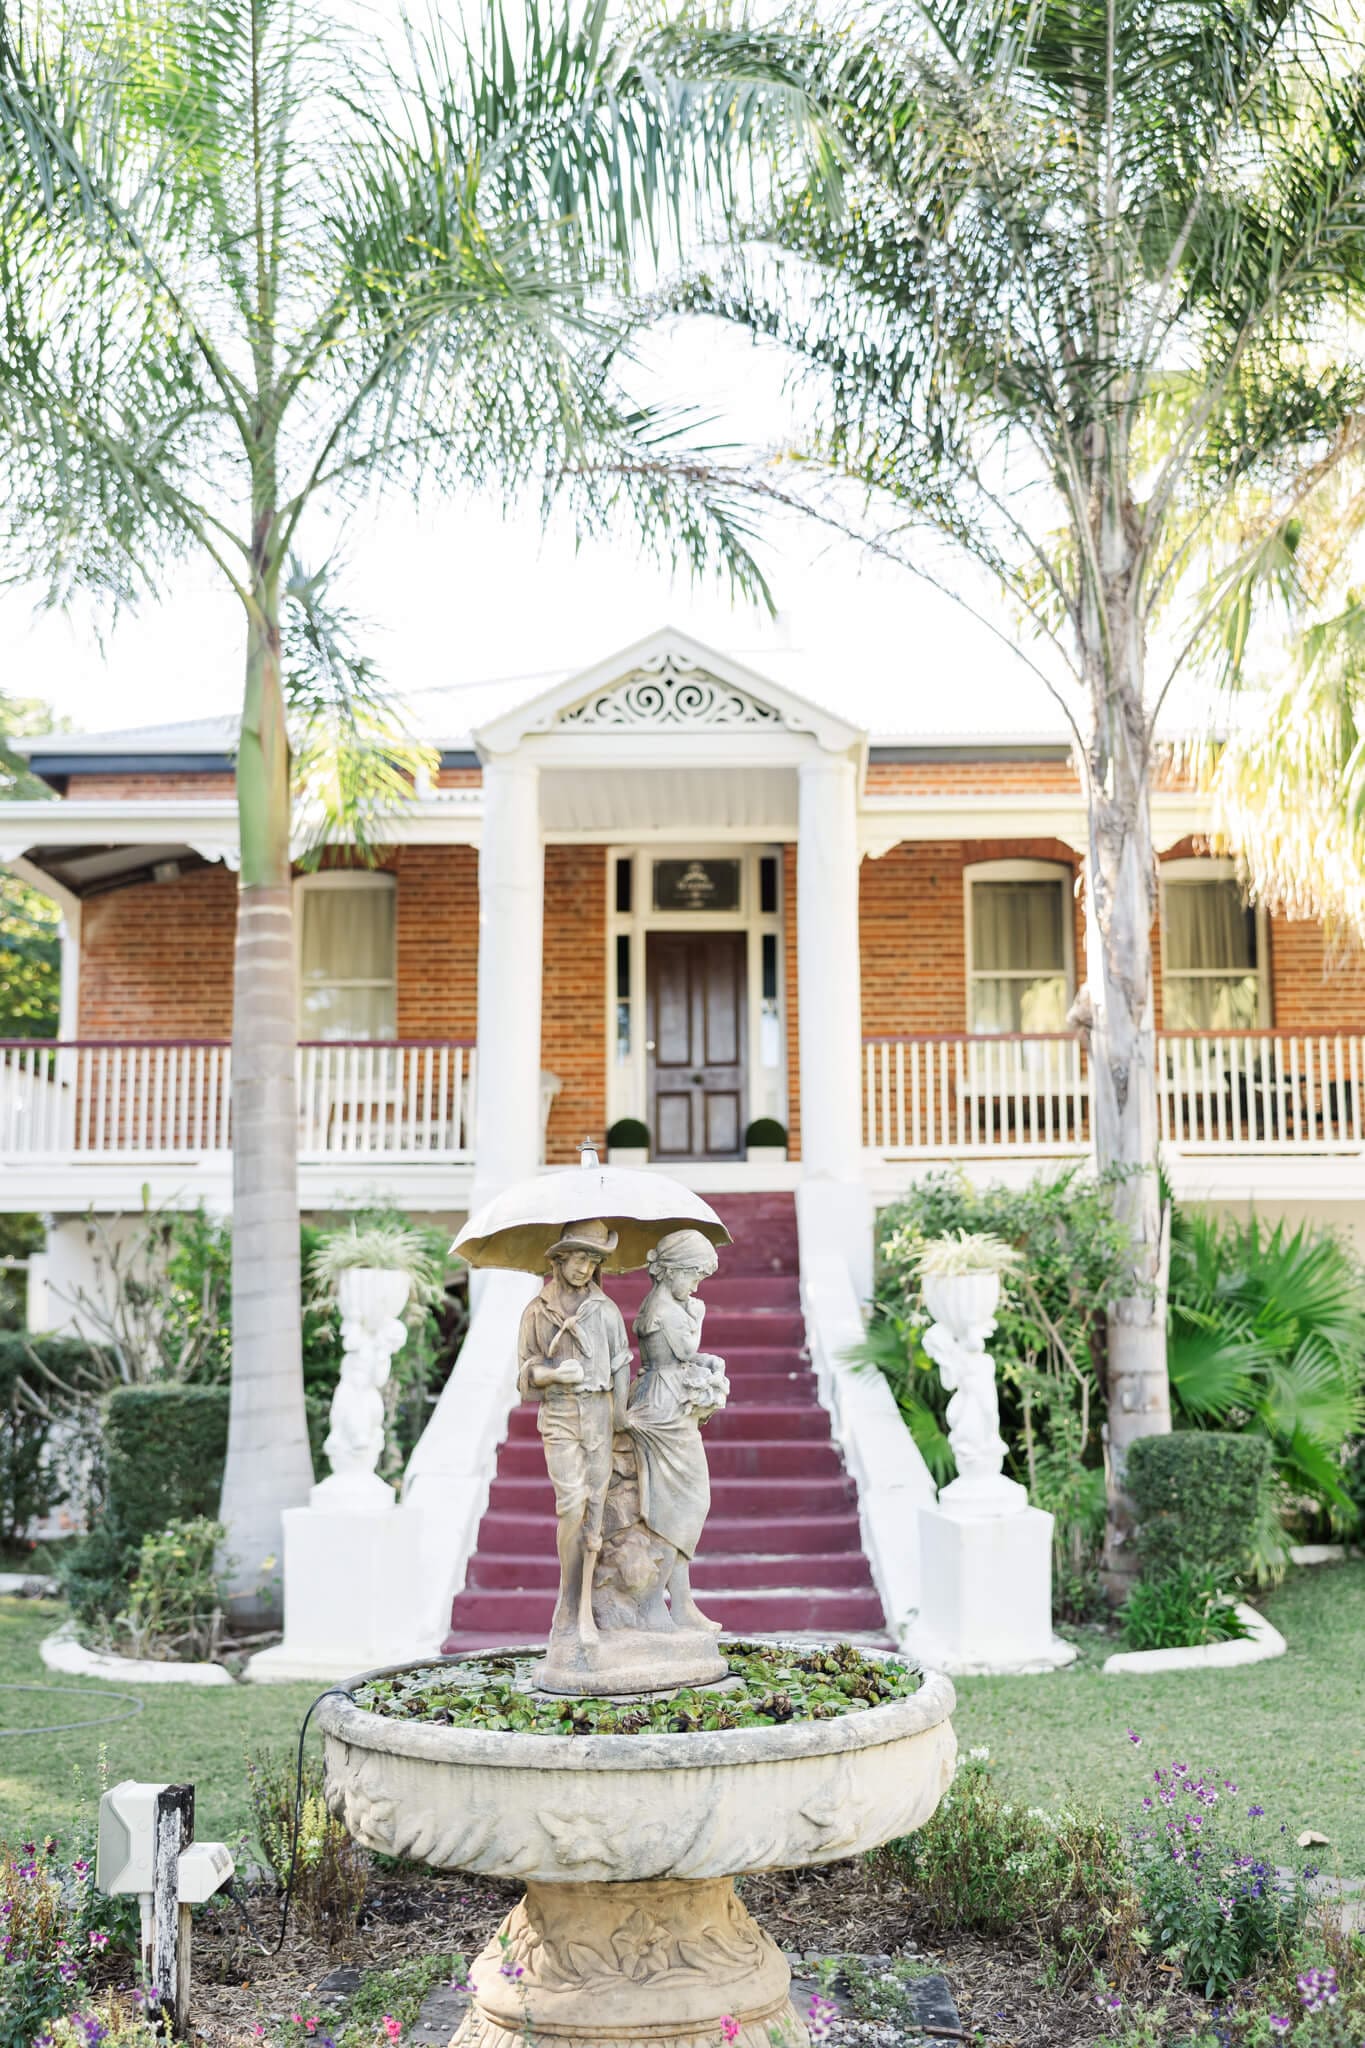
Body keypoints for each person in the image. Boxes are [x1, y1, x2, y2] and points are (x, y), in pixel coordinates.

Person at [517, 1218, 631, 1647]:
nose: (586, 1267)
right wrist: (551, 1376)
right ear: (560, 1258)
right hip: (562, 1414)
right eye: (580, 1257)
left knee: (596, 1511)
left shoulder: (605, 1310)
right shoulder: (537, 1310)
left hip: (599, 1412)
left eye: (595, 1259)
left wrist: (620, 1415)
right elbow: (525, 1372)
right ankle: (566, 1602)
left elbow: (621, 1363)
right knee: (572, 1506)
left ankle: (585, 1609)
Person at [626, 1227, 730, 1633]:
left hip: (670, 1395)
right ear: (669, 1271)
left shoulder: (670, 1303)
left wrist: (709, 1363)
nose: (697, 1286)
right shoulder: (664, 1308)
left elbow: (684, 1355)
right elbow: (685, 1351)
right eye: (693, 1275)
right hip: (664, 1406)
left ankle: (680, 1602)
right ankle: (659, 1603)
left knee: (684, 1505)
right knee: (680, 1504)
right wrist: (699, 1316)